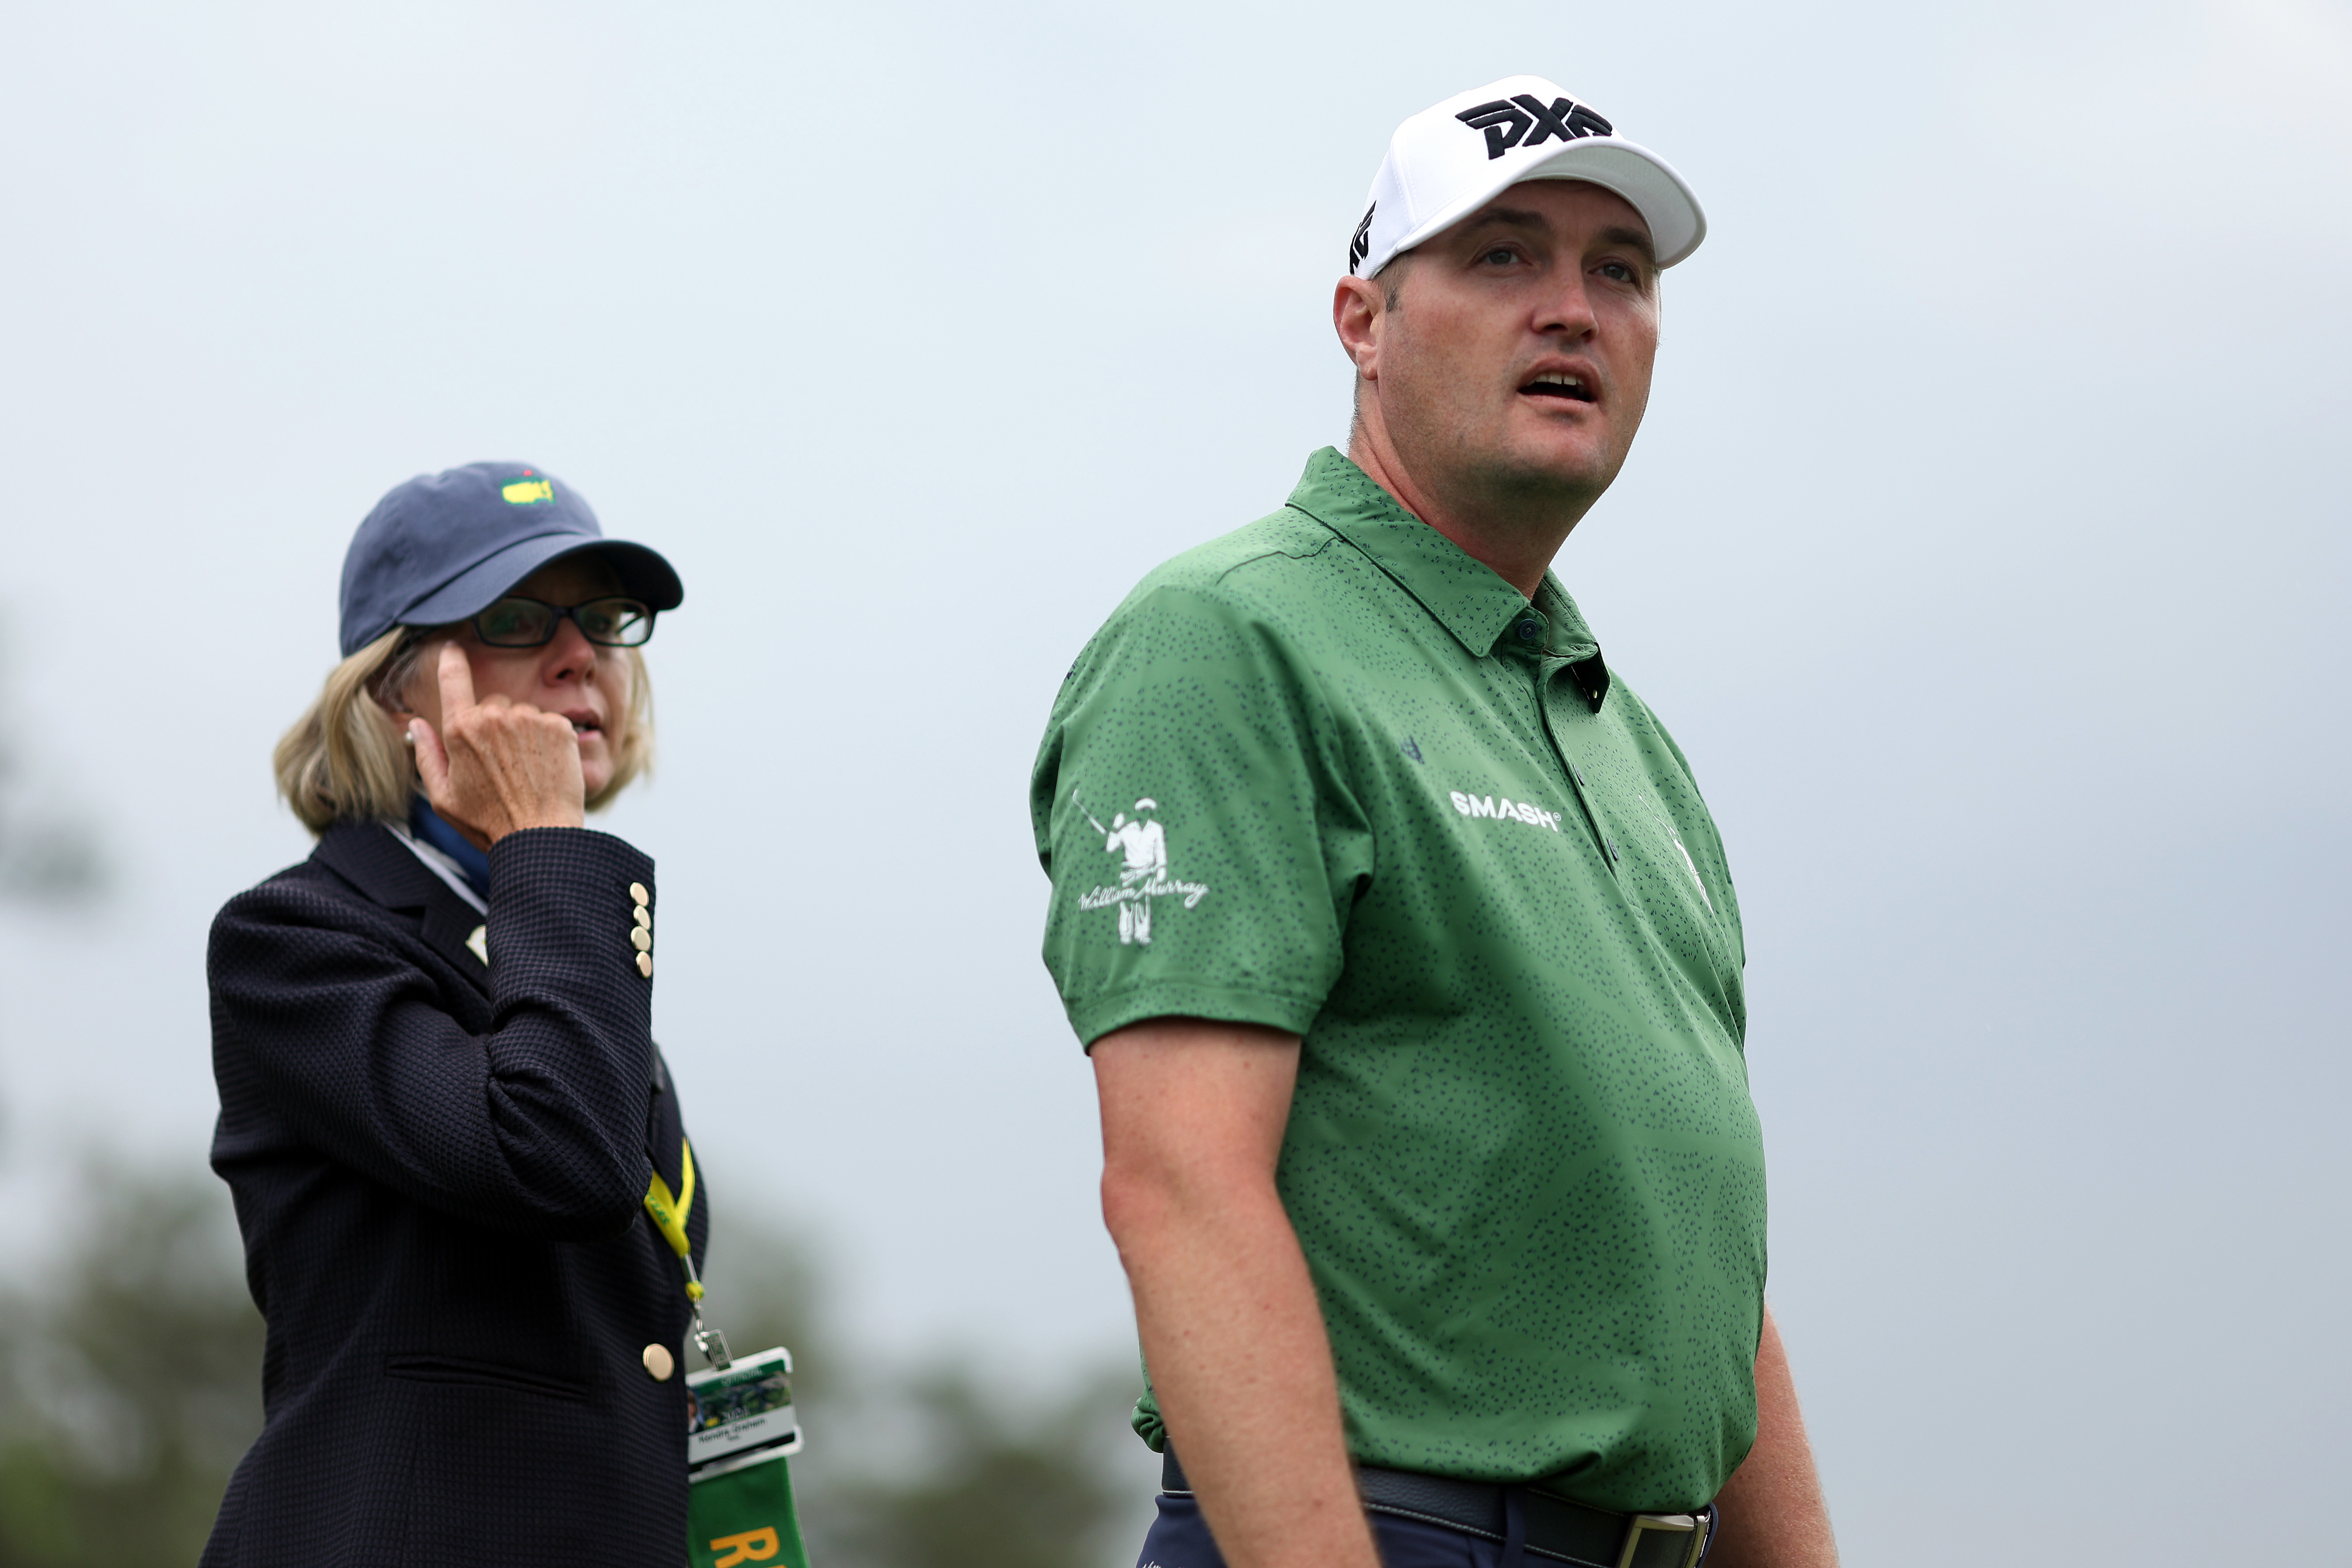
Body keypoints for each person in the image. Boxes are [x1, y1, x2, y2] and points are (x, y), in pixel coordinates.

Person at [1030, 77, 1838, 1568]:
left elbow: (1696, 1264)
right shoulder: (1229, 636)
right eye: (1504, 256)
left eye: (1620, 272)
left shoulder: (1623, 734)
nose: (1573, 310)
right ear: (1363, 322)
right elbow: (1180, 1186)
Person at [205, 462, 703, 1567]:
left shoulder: (550, 939)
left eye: (608, 620)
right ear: (393, 693)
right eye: (518, 618)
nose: (583, 654)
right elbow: (560, 1158)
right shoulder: (294, 941)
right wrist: (549, 841)